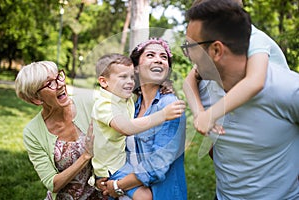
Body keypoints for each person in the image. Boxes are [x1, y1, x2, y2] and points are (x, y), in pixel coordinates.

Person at [183, 0, 299, 199]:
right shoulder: (205, 87)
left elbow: (255, 82)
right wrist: (202, 116)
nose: (187, 55)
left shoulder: (288, 90)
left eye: (190, 47)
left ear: (217, 50)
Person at [183, 0, 290, 136]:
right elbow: (189, 81)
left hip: (274, 104)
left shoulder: (253, 37)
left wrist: (211, 114)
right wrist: (200, 114)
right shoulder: (215, 46)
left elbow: (254, 81)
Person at [98, 38, 187, 200]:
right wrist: (104, 177)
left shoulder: (169, 106)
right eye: (151, 55)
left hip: (161, 195)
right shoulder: (133, 106)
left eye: (164, 57)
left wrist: (118, 185)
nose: (159, 59)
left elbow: (157, 164)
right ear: (136, 68)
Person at [15, 61, 102, 200]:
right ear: (37, 99)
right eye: (50, 83)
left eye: (58, 77)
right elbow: (52, 183)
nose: (60, 84)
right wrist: (86, 155)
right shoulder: (32, 132)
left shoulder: (89, 103)